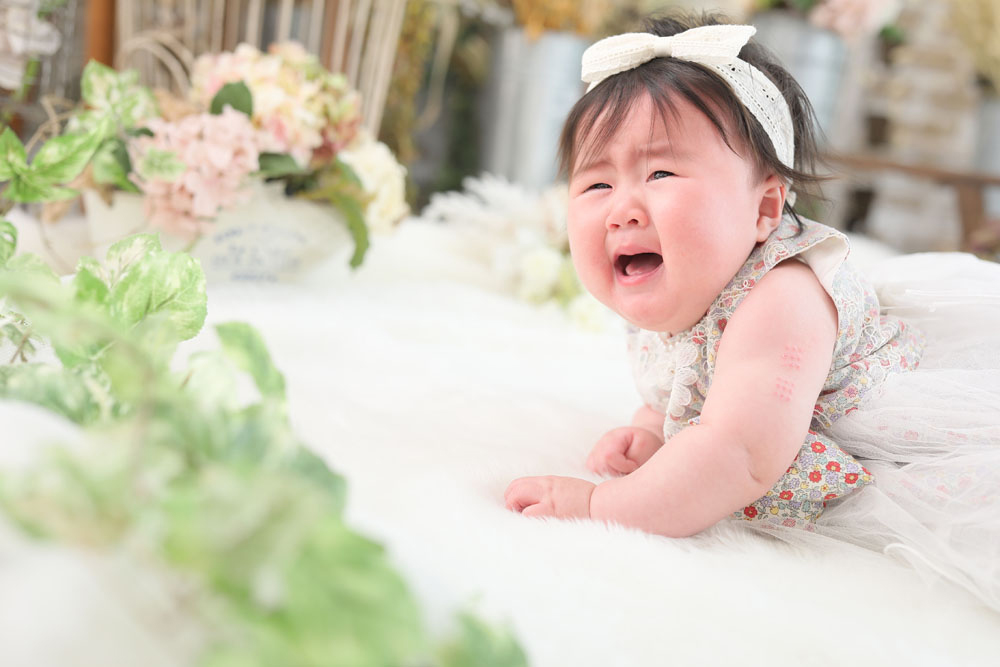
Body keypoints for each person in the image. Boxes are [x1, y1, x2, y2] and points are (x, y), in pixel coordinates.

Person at [504, 12, 1000, 610]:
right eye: (597, 185)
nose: (622, 210)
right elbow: (688, 379)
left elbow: (737, 453)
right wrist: (652, 430)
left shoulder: (783, 299)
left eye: (661, 172)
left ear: (765, 209)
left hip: (892, 452)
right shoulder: (683, 286)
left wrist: (598, 506)